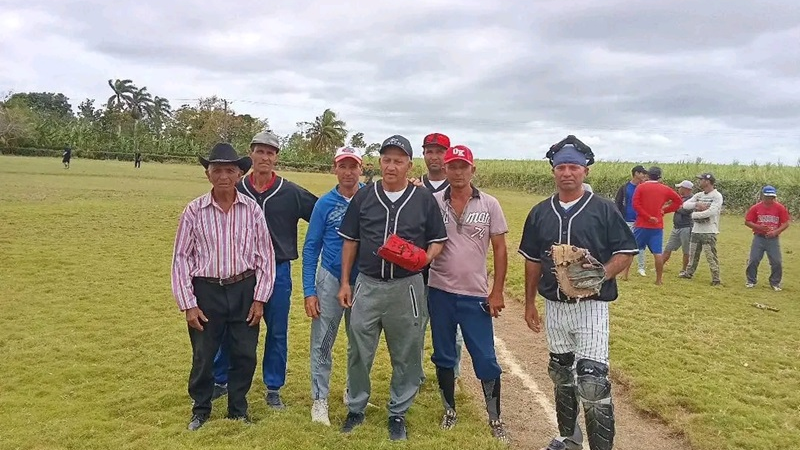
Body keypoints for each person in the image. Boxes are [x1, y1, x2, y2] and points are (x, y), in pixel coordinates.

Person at [519, 136, 638, 450]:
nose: (566, 172)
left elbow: (625, 252)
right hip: (555, 305)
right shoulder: (540, 212)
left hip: (592, 306)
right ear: (553, 171)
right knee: (561, 374)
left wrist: (600, 274)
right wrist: (529, 302)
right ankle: (569, 439)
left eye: (573, 166)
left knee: (592, 380)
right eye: (561, 167)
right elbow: (532, 261)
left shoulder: (603, 209)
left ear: (585, 171)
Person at [336, 134, 448, 441]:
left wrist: (425, 256)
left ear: (409, 164)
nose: (391, 166)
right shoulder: (365, 195)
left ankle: (397, 412)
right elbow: (350, 240)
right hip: (367, 285)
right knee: (359, 349)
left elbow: (438, 239)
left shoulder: (423, 198)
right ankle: (356, 406)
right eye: (387, 159)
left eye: (398, 161)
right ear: (380, 162)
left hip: (406, 287)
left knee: (407, 352)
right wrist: (346, 282)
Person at [170, 143, 276, 431]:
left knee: (244, 353)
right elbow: (180, 257)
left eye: (230, 170)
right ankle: (201, 409)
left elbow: (265, 256)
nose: (224, 177)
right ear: (208, 174)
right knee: (204, 354)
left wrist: (260, 299)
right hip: (206, 292)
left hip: (243, 289)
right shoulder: (193, 211)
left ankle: (238, 409)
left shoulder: (252, 210)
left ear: (240, 174)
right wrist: (188, 303)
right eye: (217, 170)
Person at [212, 131, 318, 409]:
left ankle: (273, 387)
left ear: (276, 157)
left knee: (277, 330)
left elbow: (322, 213)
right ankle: (220, 379)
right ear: (251, 154)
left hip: (278, 270)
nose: (265, 157)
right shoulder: (238, 188)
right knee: (229, 327)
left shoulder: (291, 192)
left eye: (270, 152)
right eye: (260, 151)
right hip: (241, 271)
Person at [427, 144, 511, 443]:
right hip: (439, 291)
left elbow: (500, 249)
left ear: (472, 169)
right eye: (452, 166)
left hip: (475, 294)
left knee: (485, 357)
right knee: (444, 354)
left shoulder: (489, 204)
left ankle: (495, 417)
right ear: (444, 169)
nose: (458, 172)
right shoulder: (433, 201)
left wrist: (497, 290)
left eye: (463, 166)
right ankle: (449, 410)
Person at [301, 146, 365, 425]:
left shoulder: (370, 199)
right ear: (334, 169)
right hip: (330, 278)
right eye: (343, 166)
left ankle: (354, 394)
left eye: (353, 166)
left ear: (361, 169)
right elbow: (311, 247)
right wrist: (309, 291)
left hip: (364, 280)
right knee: (323, 341)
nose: (348, 172)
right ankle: (320, 399)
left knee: (361, 341)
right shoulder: (324, 204)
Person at [415, 132, 464, 381]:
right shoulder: (414, 186)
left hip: (450, 270)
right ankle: (417, 373)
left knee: (450, 328)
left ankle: (452, 374)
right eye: (429, 151)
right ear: (423, 154)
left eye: (440, 151)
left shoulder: (458, 186)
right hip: (420, 269)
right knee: (416, 325)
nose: (434, 156)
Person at [631, 166, 684, 285]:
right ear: (659, 177)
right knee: (657, 253)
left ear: (648, 175)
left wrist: (647, 217)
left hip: (641, 224)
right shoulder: (664, 189)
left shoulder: (641, 187)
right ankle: (659, 280)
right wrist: (665, 210)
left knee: (631, 250)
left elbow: (635, 204)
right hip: (657, 226)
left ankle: (625, 274)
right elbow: (678, 201)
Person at [679, 173, 724, 285]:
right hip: (696, 229)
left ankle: (716, 277)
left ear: (707, 181)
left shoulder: (716, 196)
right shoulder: (699, 195)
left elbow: (711, 211)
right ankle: (689, 272)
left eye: (701, 180)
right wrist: (697, 204)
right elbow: (685, 205)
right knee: (693, 253)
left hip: (708, 231)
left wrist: (694, 215)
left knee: (710, 255)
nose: (699, 182)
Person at [744, 185, 791, 291]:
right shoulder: (756, 208)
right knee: (754, 259)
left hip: (773, 239)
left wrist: (775, 232)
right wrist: (758, 227)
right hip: (759, 237)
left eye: (772, 197)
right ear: (763, 196)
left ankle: (775, 282)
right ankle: (751, 280)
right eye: (767, 197)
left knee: (776, 261)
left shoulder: (780, 208)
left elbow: (786, 223)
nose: (770, 199)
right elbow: (747, 221)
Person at [615, 165, 648, 279]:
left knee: (641, 245)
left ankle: (641, 268)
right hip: (626, 220)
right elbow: (618, 203)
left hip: (640, 221)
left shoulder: (644, 188)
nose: (644, 175)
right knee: (625, 245)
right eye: (642, 173)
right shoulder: (625, 187)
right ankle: (622, 268)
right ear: (636, 173)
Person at [663, 180, 695, 273]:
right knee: (668, 248)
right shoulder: (680, 199)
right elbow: (678, 207)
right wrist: (678, 207)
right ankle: (660, 265)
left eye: (680, 187)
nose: (678, 189)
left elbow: (687, 211)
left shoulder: (692, 199)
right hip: (676, 227)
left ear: (686, 189)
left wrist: (676, 207)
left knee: (686, 250)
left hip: (686, 227)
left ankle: (685, 269)